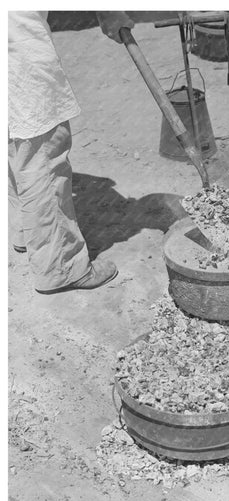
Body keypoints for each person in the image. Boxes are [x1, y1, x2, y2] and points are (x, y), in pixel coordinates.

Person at [8, 11, 135, 294]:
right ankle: (61, 266)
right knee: (43, 149)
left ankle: (27, 234)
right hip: (17, 39)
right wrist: (109, 11)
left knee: (14, 141)